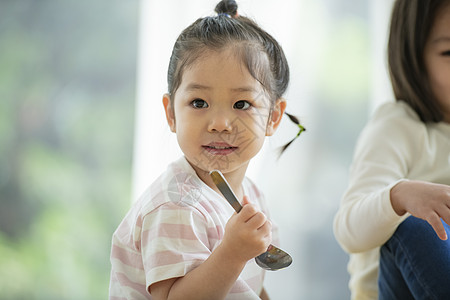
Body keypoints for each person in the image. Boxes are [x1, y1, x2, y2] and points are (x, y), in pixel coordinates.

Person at [109, 1, 303, 299]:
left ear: (273, 117)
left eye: (242, 104)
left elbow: (250, 285)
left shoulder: (251, 195)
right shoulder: (175, 205)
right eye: (199, 103)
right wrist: (232, 253)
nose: (220, 124)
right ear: (171, 113)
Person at [333, 0, 450, 299]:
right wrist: (398, 197)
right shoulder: (397, 127)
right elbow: (348, 230)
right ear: (414, 58)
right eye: (449, 53)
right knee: (416, 225)